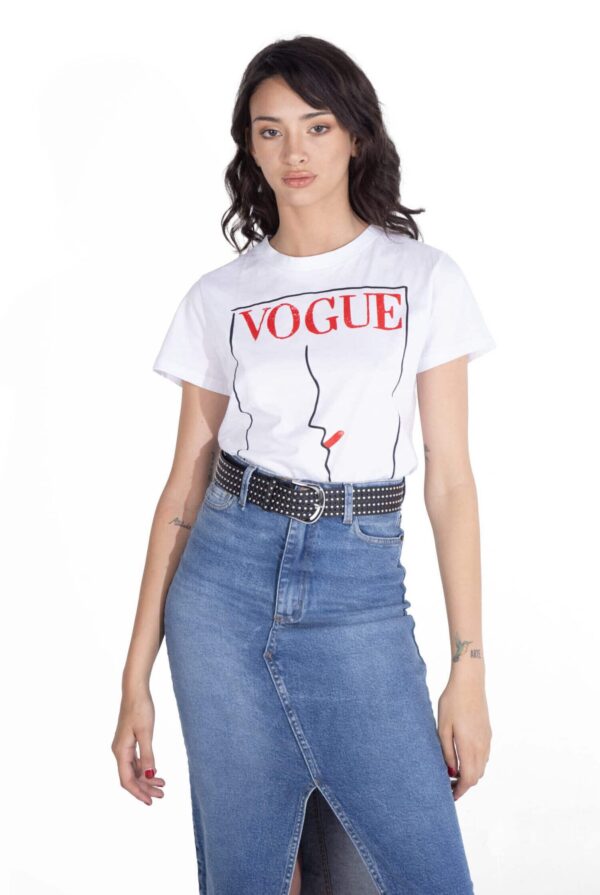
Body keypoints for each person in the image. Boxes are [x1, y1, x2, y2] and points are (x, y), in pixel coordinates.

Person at [112, 35, 495, 895]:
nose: (295, 151)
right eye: (270, 130)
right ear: (248, 147)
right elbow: (183, 489)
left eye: (317, 126)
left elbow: (451, 481)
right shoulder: (219, 297)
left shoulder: (423, 278)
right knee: (254, 873)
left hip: (359, 589)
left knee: (412, 873)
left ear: (355, 134)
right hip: (222, 588)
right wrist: (135, 675)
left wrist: (467, 668)